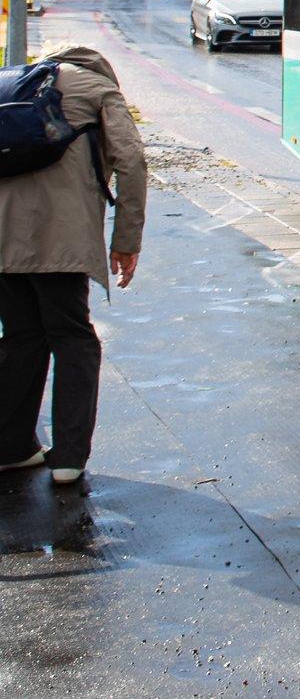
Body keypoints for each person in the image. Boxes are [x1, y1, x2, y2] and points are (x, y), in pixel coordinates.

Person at [0, 44, 148, 486]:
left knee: (22, 336)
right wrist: (126, 241)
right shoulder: (100, 90)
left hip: (2, 238)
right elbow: (132, 162)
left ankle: (11, 447)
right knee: (73, 337)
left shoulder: (12, 84)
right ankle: (67, 456)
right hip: (60, 238)